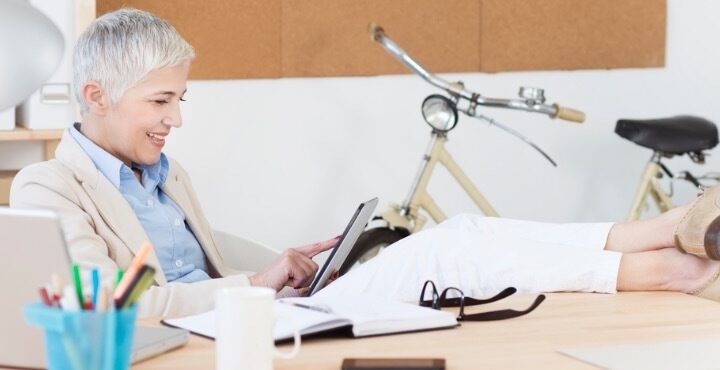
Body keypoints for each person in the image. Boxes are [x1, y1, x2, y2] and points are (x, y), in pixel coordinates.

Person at [10, 8, 720, 319]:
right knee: (459, 249)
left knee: (464, 242)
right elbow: (115, 309)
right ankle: (667, 247)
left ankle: (671, 251)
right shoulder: (52, 185)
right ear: (96, 96)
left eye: (180, 98)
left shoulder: (160, 175)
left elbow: (201, 264)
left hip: (253, 314)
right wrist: (256, 290)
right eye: (161, 100)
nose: (177, 118)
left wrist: (278, 270)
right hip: (225, 329)